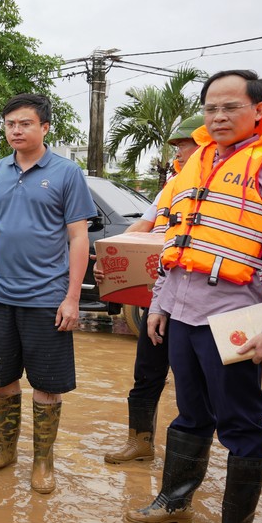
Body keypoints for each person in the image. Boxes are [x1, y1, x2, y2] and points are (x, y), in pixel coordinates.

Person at [126, 70, 262, 523]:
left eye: (231, 107)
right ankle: (175, 501)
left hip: (235, 317)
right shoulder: (196, 163)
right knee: (190, 413)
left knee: (241, 422)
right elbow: (175, 241)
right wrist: (159, 303)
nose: (219, 117)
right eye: (211, 108)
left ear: (259, 110)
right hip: (181, 311)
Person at [0, 93, 96, 494]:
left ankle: (43, 462)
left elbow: (79, 237)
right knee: (0, 379)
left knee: (47, 384)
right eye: (10, 124)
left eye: (25, 123)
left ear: (45, 127)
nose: (16, 131)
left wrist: (72, 298)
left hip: (46, 297)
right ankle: (6, 450)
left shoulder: (66, 173)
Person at [100, 116, 204, 464]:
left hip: (205, 301)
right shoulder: (172, 187)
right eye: (176, 146)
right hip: (162, 296)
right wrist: (109, 256)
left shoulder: (224, 188)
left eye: (185, 144)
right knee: (147, 372)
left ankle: (193, 460)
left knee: (198, 383)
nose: (179, 152)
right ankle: (140, 442)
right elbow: (141, 229)